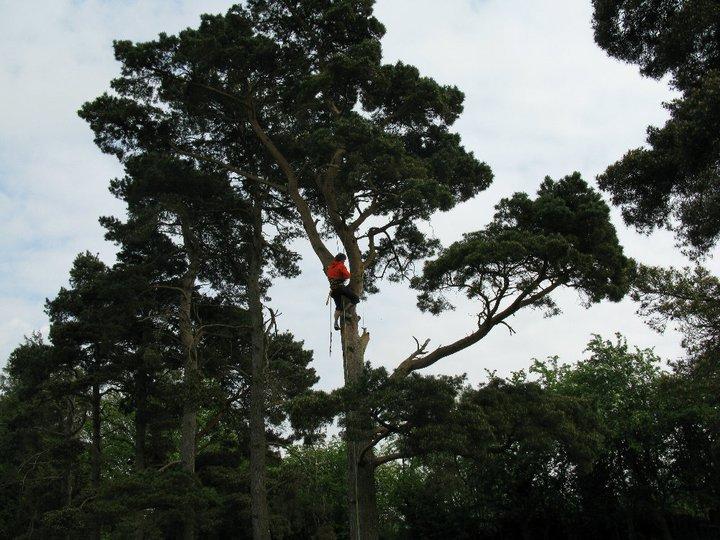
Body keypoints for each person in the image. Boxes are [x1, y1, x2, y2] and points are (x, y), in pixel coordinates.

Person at [327, 253, 360, 330]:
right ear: (342, 260)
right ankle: (344, 312)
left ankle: (335, 322)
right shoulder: (341, 265)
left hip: (333, 290)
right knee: (356, 299)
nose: (344, 262)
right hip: (340, 288)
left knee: (338, 307)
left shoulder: (330, 267)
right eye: (344, 260)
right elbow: (347, 275)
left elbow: (331, 276)